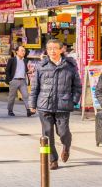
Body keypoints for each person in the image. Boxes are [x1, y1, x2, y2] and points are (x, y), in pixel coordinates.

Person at [28, 38, 82, 170]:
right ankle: (53, 159)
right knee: (47, 134)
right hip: (44, 104)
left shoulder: (70, 66)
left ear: (61, 49)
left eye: (55, 48)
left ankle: (66, 146)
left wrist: (73, 100)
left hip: (63, 105)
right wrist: (32, 104)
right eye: (49, 48)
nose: (52, 51)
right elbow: (35, 87)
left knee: (63, 132)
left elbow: (77, 87)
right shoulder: (41, 66)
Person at [6, 44, 32, 117]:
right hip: (14, 80)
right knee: (12, 97)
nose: (23, 52)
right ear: (17, 52)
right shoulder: (12, 60)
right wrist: (9, 80)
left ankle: (28, 110)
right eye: (22, 51)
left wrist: (29, 71)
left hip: (23, 80)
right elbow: (7, 70)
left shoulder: (25, 60)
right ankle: (10, 110)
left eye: (24, 51)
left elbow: (25, 70)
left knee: (26, 95)